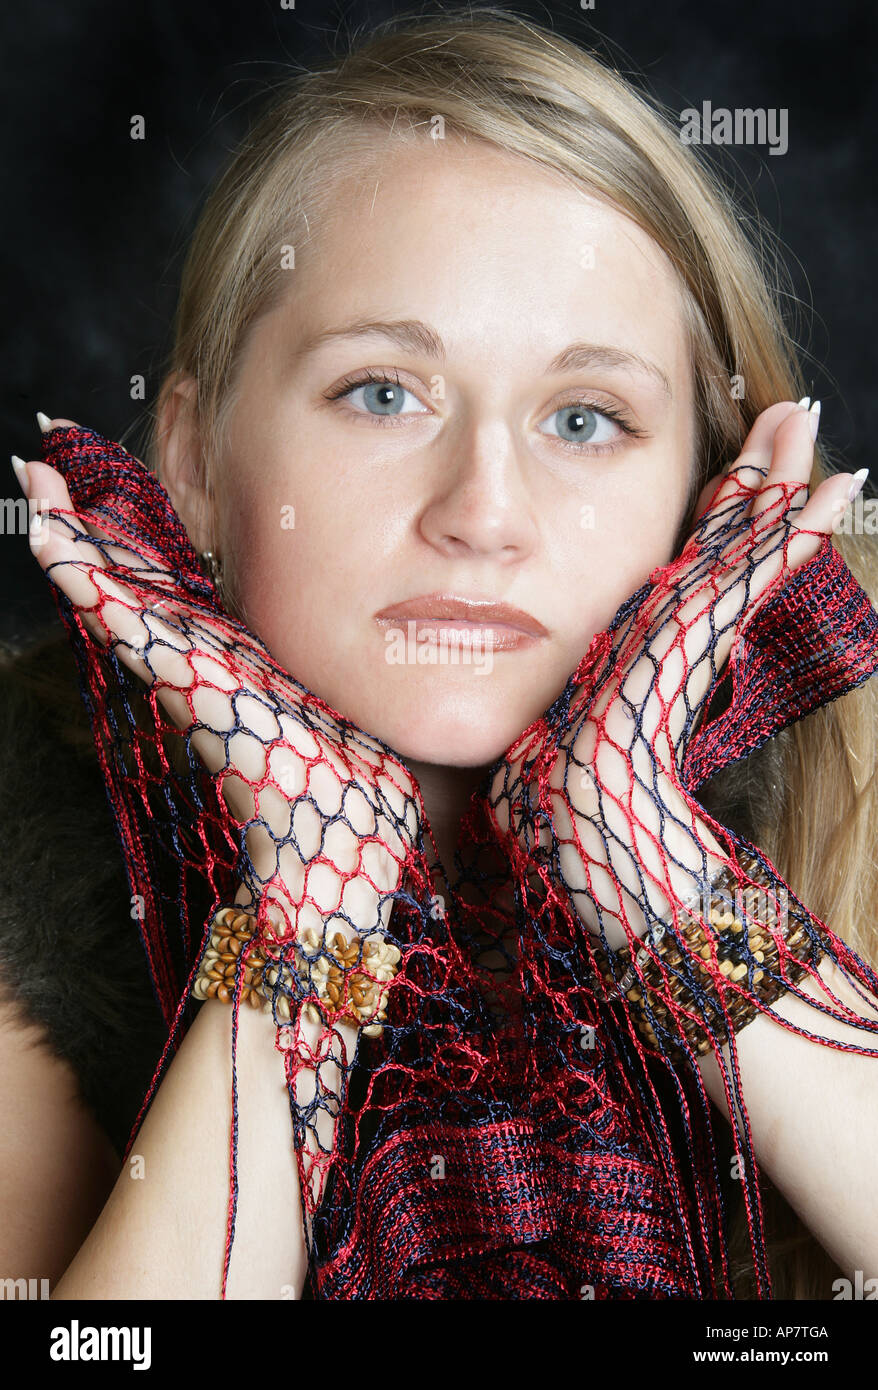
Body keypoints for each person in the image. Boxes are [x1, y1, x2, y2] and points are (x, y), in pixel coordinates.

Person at [4, 7, 878, 1300]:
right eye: (383, 393)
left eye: (583, 417)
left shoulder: (854, 783)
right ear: (188, 462)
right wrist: (305, 908)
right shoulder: (24, 905)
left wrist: (641, 854)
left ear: (703, 488)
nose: (481, 510)